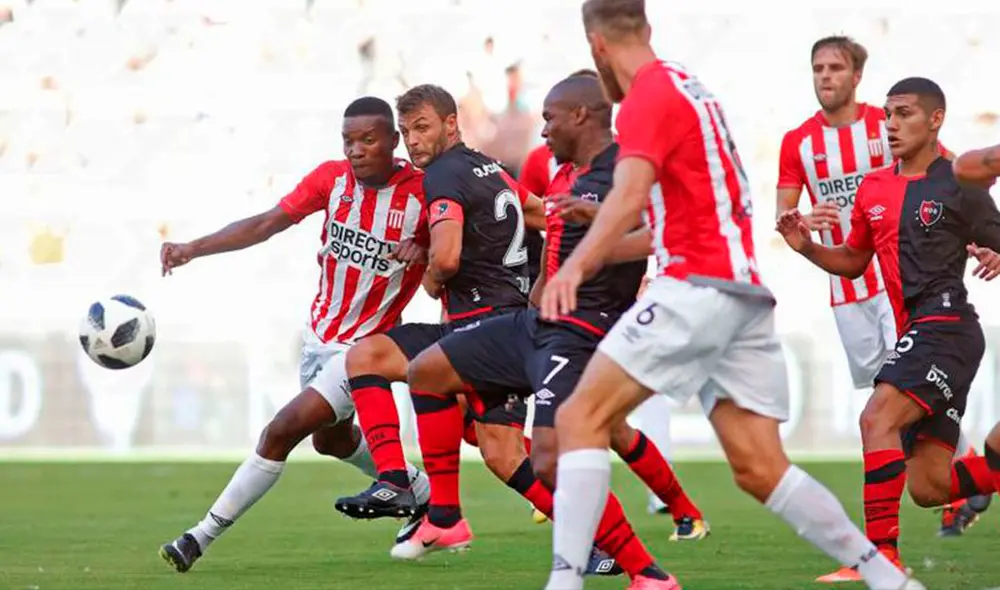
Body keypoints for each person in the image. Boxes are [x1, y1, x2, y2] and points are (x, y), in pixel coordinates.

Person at [538, 2, 926, 589]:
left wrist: (576, 264)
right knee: (760, 469)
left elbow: (629, 194)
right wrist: (603, 237)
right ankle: (889, 579)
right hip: (741, 294)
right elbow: (674, 223)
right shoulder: (691, 90)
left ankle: (564, 581)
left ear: (597, 46)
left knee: (578, 417)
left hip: (694, 290)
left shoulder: (647, 97)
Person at [394, 74, 708, 579]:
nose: (542, 131)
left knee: (551, 457)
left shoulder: (627, 169)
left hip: (585, 332)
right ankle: (446, 518)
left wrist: (613, 238)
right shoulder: (560, 172)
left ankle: (649, 572)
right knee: (427, 371)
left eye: (550, 119)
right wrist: (539, 290)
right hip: (537, 322)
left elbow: (670, 231)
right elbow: (548, 237)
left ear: (580, 116)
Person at [328, 85, 632, 571]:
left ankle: (411, 490)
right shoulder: (485, 167)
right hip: (499, 324)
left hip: (482, 332)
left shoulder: (441, 176)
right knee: (494, 447)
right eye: (406, 132)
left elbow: (447, 259)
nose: (413, 141)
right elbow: (540, 213)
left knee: (377, 363)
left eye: (422, 128)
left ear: (451, 124)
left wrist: (431, 271)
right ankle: (407, 487)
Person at [156, 97, 433, 572]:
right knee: (331, 442)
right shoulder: (332, 180)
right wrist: (193, 248)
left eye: (368, 140)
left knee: (280, 431)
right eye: (348, 140)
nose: (356, 150)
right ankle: (421, 491)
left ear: (393, 141)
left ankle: (198, 537)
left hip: (366, 348)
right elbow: (266, 224)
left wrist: (425, 248)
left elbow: (456, 244)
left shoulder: (424, 193)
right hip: (319, 339)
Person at [778, 77, 1000, 584]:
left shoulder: (959, 182)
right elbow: (854, 261)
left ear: (935, 120)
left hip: (947, 326)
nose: (892, 125)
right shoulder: (873, 187)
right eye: (887, 115)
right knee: (930, 487)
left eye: (904, 114)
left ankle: (880, 560)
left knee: (876, 418)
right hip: (917, 330)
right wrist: (806, 246)